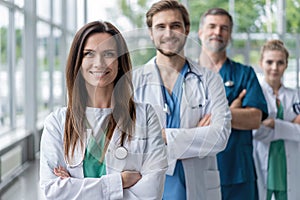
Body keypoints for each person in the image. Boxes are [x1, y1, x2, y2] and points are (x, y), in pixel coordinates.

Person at [39, 21, 168, 200]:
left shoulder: (145, 116)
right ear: (78, 61)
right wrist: (119, 182)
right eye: (89, 54)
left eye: (108, 54)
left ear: (120, 62)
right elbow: (53, 191)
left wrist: (75, 187)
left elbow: (151, 193)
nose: (99, 63)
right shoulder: (57, 122)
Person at [132, 1, 232, 199]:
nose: (168, 33)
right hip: (147, 185)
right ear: (151, 32)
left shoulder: (209, 79)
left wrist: (163, 136)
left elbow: (220, 136)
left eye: (175, 26)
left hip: (198, 185)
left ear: (187, 29)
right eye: (161, 26)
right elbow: (130, 141)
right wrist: (197, 134)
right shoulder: (132, 81)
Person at [198, 8, 268, 200]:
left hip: (238, 173)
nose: (217, 32)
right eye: (212, 26)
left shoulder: (245, 74)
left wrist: (216, 115)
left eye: (224, 28)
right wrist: (233, 110)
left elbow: (255, 118)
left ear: (229, 35)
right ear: (200, 32)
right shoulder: (186, 75)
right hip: (196, 170)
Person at [253, 39, 300, 200]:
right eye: (269, 62)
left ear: (286, 64)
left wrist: (273, 124)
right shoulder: (255, 93)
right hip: (262, 162)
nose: (274, 67)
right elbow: (255, 132)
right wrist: (289, 128)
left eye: (280, 62)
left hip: (288, 165)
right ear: (261, 63)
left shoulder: (295, 95)